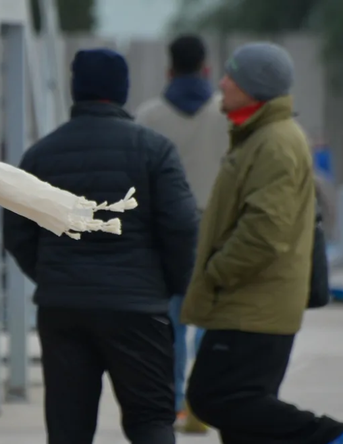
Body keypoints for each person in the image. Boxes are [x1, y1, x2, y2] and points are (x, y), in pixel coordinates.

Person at [3, 48, 198, 444]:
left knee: (69, 430)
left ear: (75, 89)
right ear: (123, 90)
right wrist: (170, 286)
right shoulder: (155, 150)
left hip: (63, 309)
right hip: (138, 308)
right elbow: (181, 226)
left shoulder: (40, 154)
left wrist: (52, 275)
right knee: (150, 421)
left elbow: (17, 231)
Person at [183, 42, 343, 444]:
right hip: (251, 302)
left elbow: (265, 231)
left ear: (254, 87)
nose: (222, 83)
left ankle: (331, 437)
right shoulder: (257, 136)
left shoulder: (275, 142)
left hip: (253, 304)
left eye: (231, 77)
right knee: (243, 423)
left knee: (213, 397)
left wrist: (217, 271)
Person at [135, 34, 228, 433]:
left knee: (171, 322)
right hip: (217, 227)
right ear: (207, 68)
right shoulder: (226, 112)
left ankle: (174, 405)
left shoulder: (149, 116)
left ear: (169, 70)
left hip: (166, 229)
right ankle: (203, 402)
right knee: (210, 318)